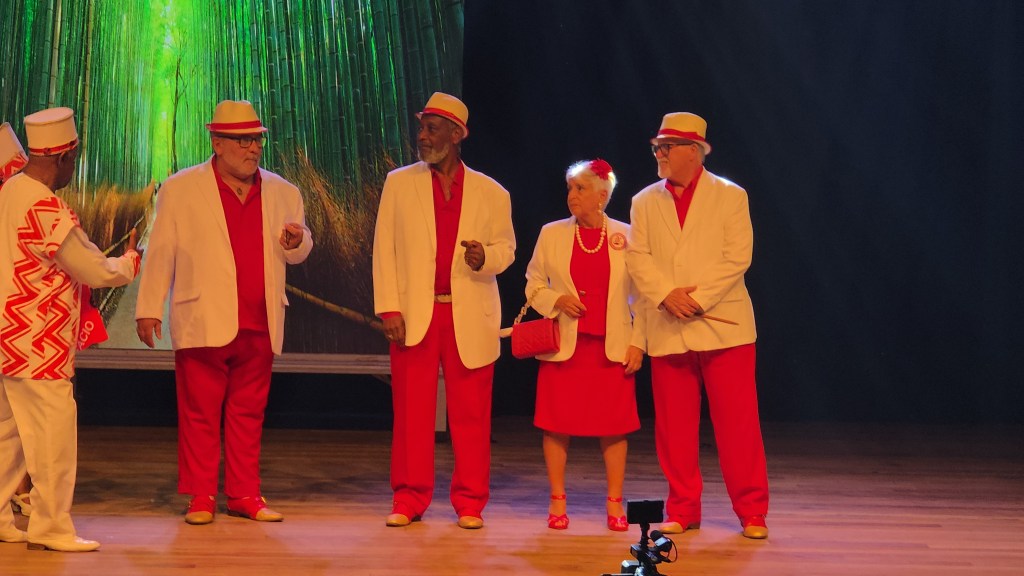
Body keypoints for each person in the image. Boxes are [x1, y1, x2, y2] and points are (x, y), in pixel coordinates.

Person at [135, 100, 312, 525]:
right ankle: (200, 495)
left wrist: (297, 243)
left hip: (260, 318)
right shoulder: (180, 188)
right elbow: (161, 250)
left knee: (248, 412)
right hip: (203, 314)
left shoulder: (284, 191)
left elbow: (301, 246)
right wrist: (148, 307)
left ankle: (244, 494)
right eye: (243, 140)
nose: (253, 149)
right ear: (217, 142)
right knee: (199, 411)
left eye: (257, 140)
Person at [0, 108, 141, 551]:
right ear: (63, 157)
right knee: (53, 439)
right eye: (74, 159)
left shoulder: (9, 191)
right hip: (39, 341)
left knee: (10, 437)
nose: (73, 168)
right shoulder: (45, 206)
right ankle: (51, 527)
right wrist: (130, 261)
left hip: (9, 339)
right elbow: (92, 268)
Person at [373, 92, 515, 530]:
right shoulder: (400, 183)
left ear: (457, 134)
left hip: (468, 312)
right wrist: (389, 308)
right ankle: (408, 497)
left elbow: (506, 249)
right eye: (421, 127)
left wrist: (484, 257)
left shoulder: (492, 192)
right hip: (417, 312)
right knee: (411, 412)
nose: (422, 136)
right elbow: (384, 249)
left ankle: (470, 501)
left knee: (471, 413)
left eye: (431, 128)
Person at [625, 112, 769, 539]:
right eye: (657, 147)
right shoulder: (644, 200)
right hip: (668, 323)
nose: (659, 154)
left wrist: (697, 299)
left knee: (738, 425)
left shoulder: (730, 195)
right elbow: (638, 257)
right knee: (674, 428)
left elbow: (737, 257)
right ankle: (683, 507)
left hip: (724, 328)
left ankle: (752, 511)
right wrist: (666, 295)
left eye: (667, 147)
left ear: (694, 151)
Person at [523, 159, 646, 531]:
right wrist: (557, 300)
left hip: (611, 349)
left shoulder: (628, 235)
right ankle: (557, 500)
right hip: (565, 348)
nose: (572, 195)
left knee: (615, 427)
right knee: (556, 424)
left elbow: (643, 297)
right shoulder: (552, 233)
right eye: (570, 188)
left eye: (580, 188)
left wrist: (638, 344)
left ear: (602, 195)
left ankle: (615, 503)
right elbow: (533, 284)